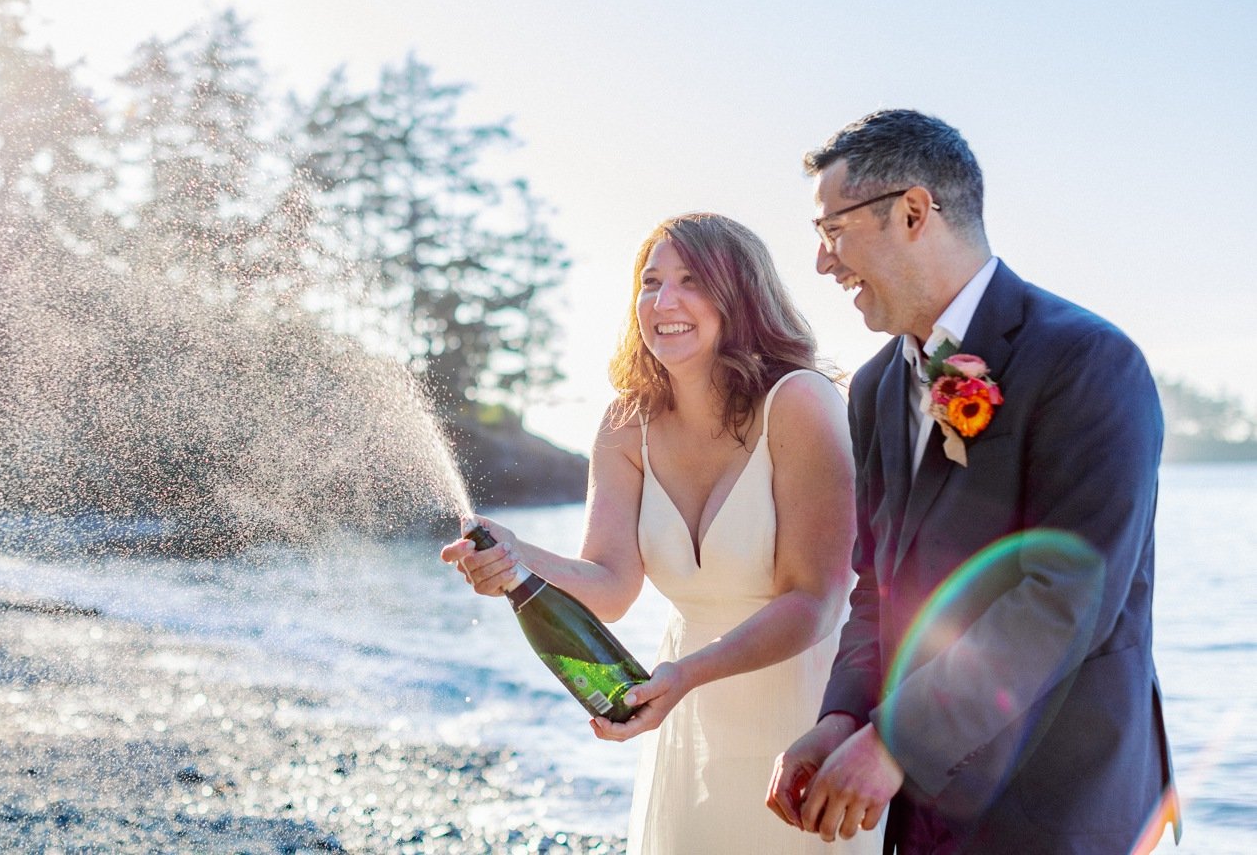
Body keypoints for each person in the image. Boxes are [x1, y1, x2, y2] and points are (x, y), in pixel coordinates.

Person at [767, 109, 1180, 853]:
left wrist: (896, 742)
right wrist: (844, 717)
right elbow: (876, 586)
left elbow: (1063, 601)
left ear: (914, 212)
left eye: (832, 231)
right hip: (923, 811)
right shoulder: (874, 388)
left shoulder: (1090, 362)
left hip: (1061, 803)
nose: (824, 263)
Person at [442, 213, 880, 854]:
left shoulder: (801, 401)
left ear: (740, 296)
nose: (664, 302)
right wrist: (515, 557)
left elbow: (815, 600)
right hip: (690, 720)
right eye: (651, 282)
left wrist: (684, 677)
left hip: (805, 707)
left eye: (691, 281)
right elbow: (610, 585)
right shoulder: (625, 423)